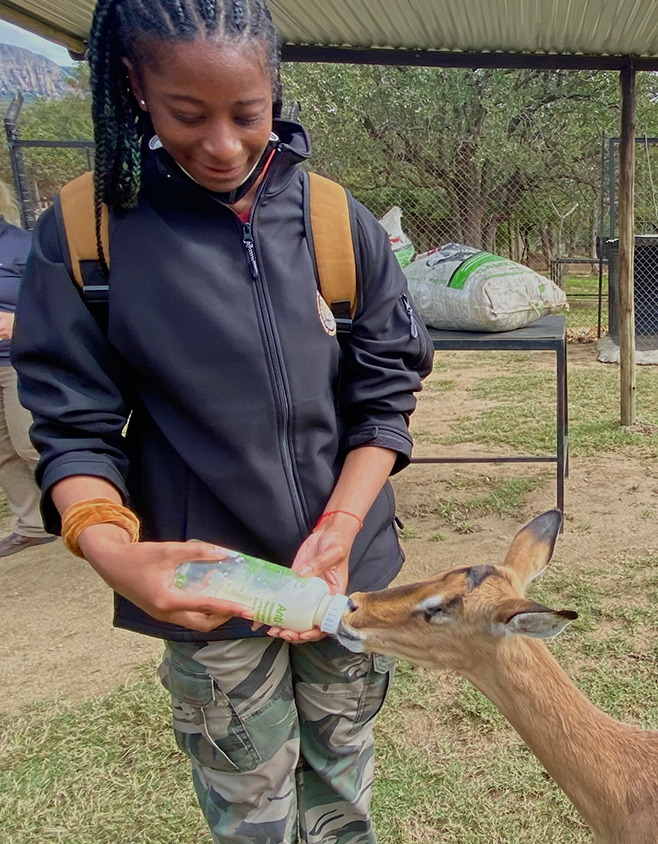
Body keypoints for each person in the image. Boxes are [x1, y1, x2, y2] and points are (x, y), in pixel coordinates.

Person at [13, 1, 433, 842]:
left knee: (343, 785)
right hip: (210, 588)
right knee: (252, 806)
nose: (222, 145)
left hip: (344, 574)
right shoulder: (88, 230)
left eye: (246, 113)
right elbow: (72, 422)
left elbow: (383, 398)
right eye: (185, 114)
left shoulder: (333, 220)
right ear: (134, 87)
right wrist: (112, 552)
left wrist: (342, 526)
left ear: (274, 86)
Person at [0, 213, 54, 557]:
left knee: (29, 443)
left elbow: (54, 304)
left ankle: (104, 511)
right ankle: (33, 523)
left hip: (19, 359)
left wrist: (18, 321)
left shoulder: (22, 244)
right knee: (3, 452)